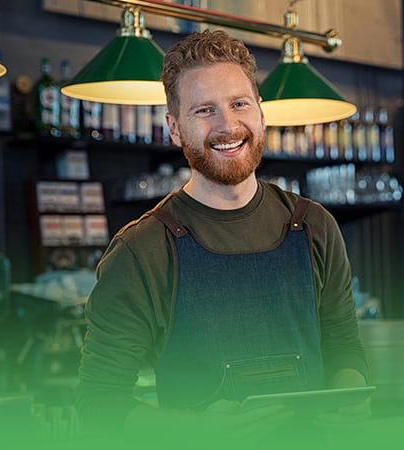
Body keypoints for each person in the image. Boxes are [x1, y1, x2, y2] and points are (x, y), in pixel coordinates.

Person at [75, 29, 369, 443]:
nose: (228, 125)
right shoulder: (142, 250)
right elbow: (97, 404)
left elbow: (344, 349)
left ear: (261, 114)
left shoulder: (315, 226)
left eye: (239, 104)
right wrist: (190, 432)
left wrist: (351, 396)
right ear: (175, 130)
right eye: (204, 111)